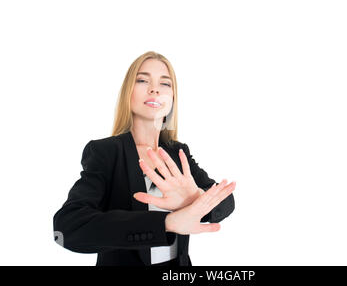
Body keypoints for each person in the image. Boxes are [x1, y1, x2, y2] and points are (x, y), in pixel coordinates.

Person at [53, 51, 236, 266]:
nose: (155, 89)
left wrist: (195, 198)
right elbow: (68, 227)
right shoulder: (106, 152)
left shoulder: (179, 153)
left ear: (173, 98)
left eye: (165, 84)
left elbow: (226, 199)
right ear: (127, 92)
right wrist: (167, 222)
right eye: (142, 80)